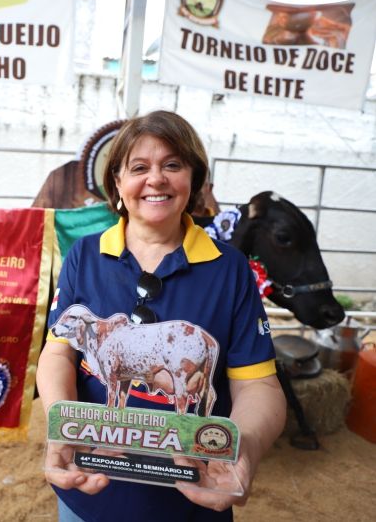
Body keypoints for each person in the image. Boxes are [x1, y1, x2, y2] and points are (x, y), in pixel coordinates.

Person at [36, 110, 286, 521]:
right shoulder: (85, 255)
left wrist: (245, 449)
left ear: (194, 179)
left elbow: (258, 384)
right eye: (139, 168)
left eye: (172, 165)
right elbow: (58, 353)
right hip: (91, 486)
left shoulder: (229, 269)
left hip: (193, 495)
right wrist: (62, 425)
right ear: (117, 182)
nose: (156, 179)